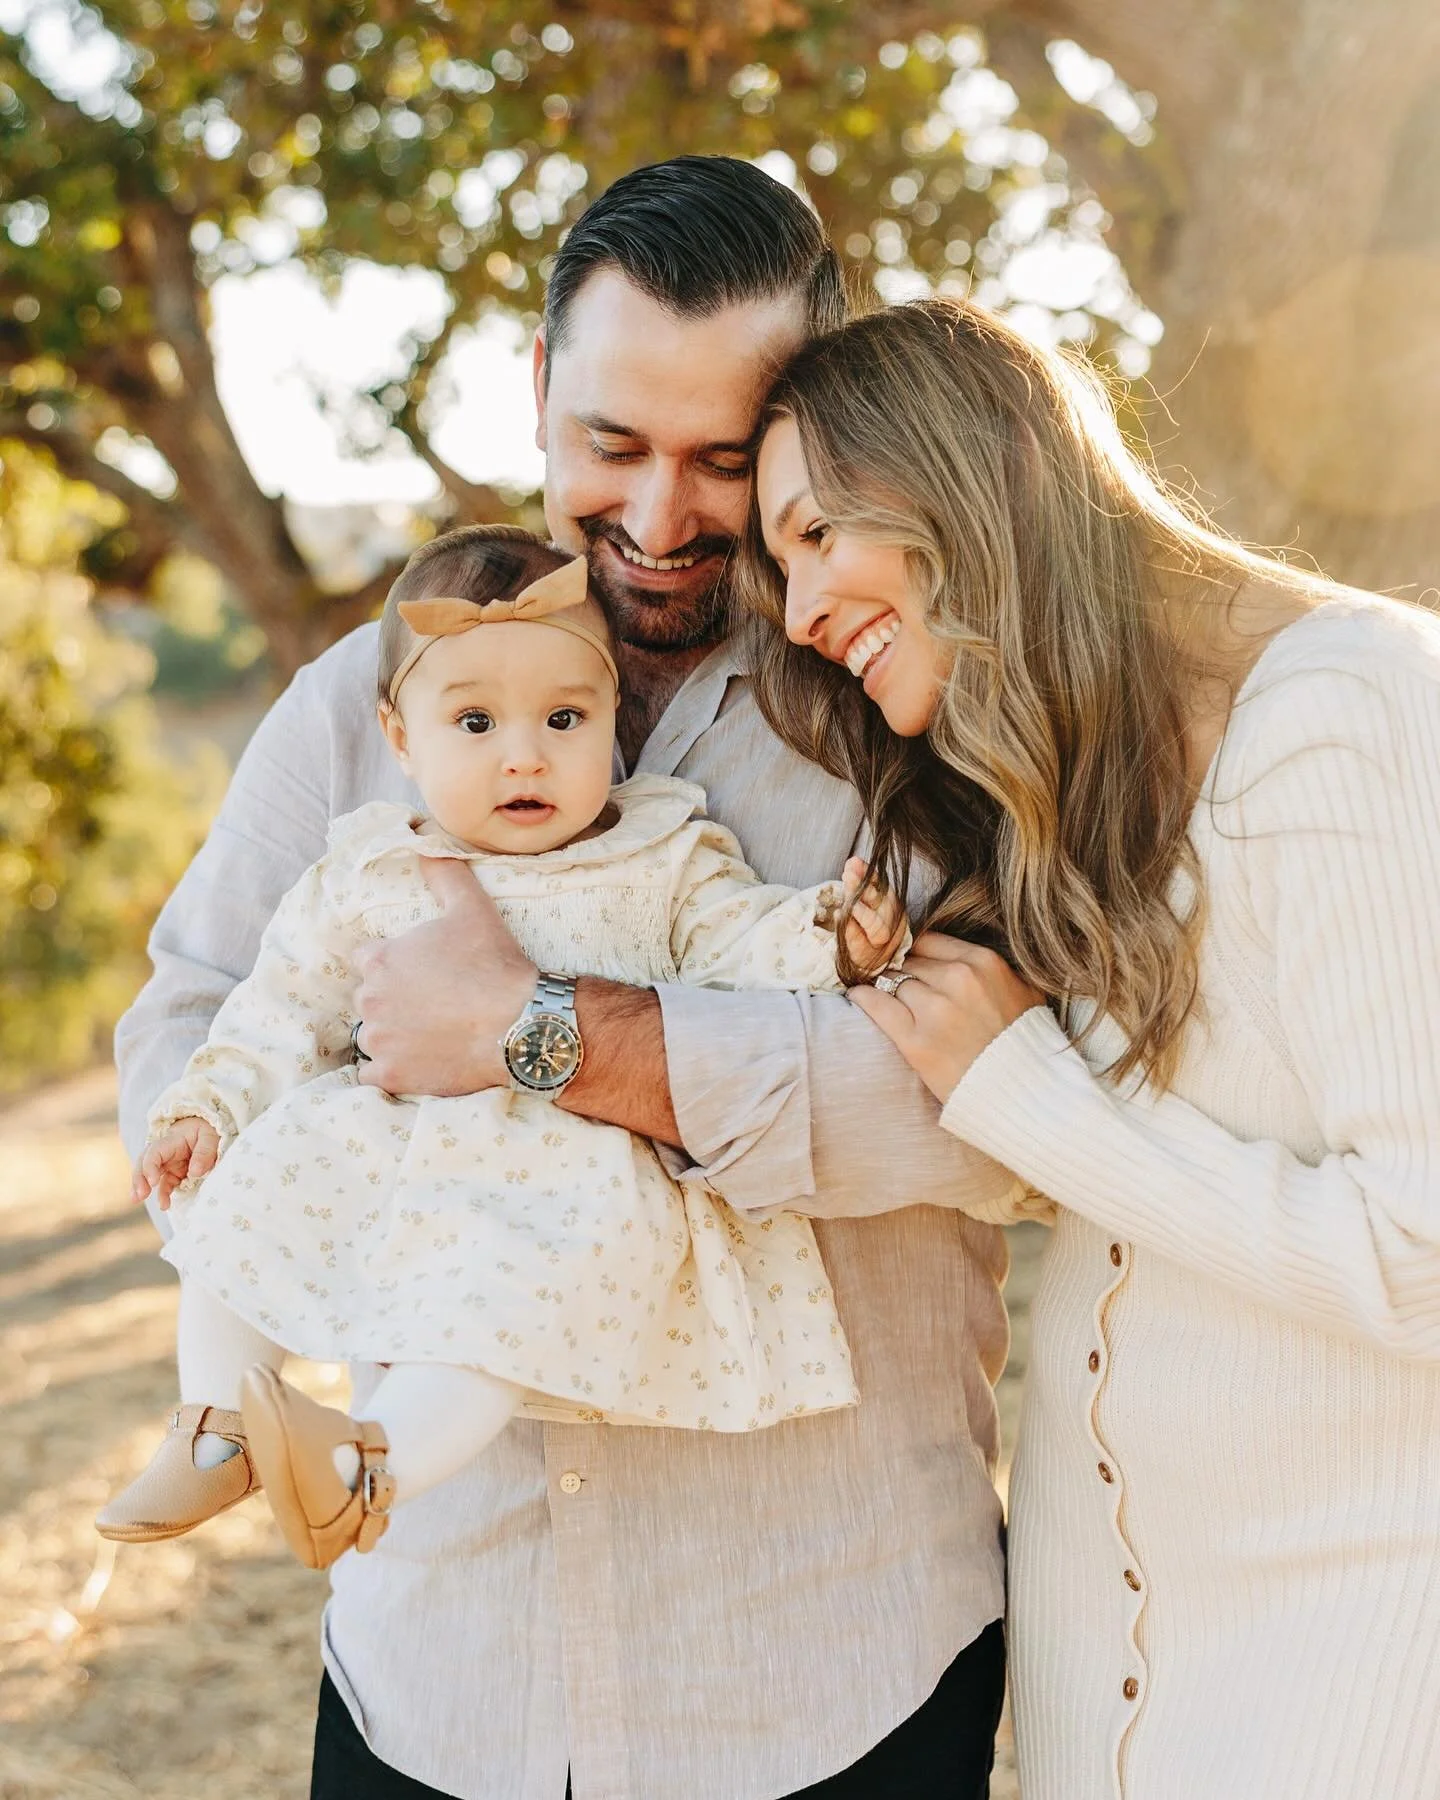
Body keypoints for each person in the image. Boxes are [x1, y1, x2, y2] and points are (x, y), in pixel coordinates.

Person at [117, 159, 1016, 1799]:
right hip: (438, 1672)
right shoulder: (353, 706)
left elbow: (985, 1126)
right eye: (612, 445)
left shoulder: (905, 707)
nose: (662, 519)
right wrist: (334, 1124)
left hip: (826, 1675)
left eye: (725, 461)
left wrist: (540, 1041)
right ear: (538, 390)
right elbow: (190, 1007)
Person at [742, 294, 1440, 1800]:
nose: (796, 611)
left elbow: (1423, 1252)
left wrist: (1030, 1100)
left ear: (958, 473)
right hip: (1116, 1673)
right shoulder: (1105, 779)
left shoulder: (1344, 712)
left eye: (813, 537)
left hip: (1350, 1669)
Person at [101, 526, 903, 1569]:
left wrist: (829, 934)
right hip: (390, 1148)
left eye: (564, 718)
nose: (523, 754)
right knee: (237, 1191)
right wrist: (204, 1109)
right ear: (400, 737)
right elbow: (278, 1009)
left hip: (560, 1176)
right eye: (474, 721)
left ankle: (367, 1468)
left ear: (613, 717)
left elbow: (737, 941)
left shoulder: (659, 852)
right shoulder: (371, 870)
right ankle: (213, 1426)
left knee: (489, 1311)